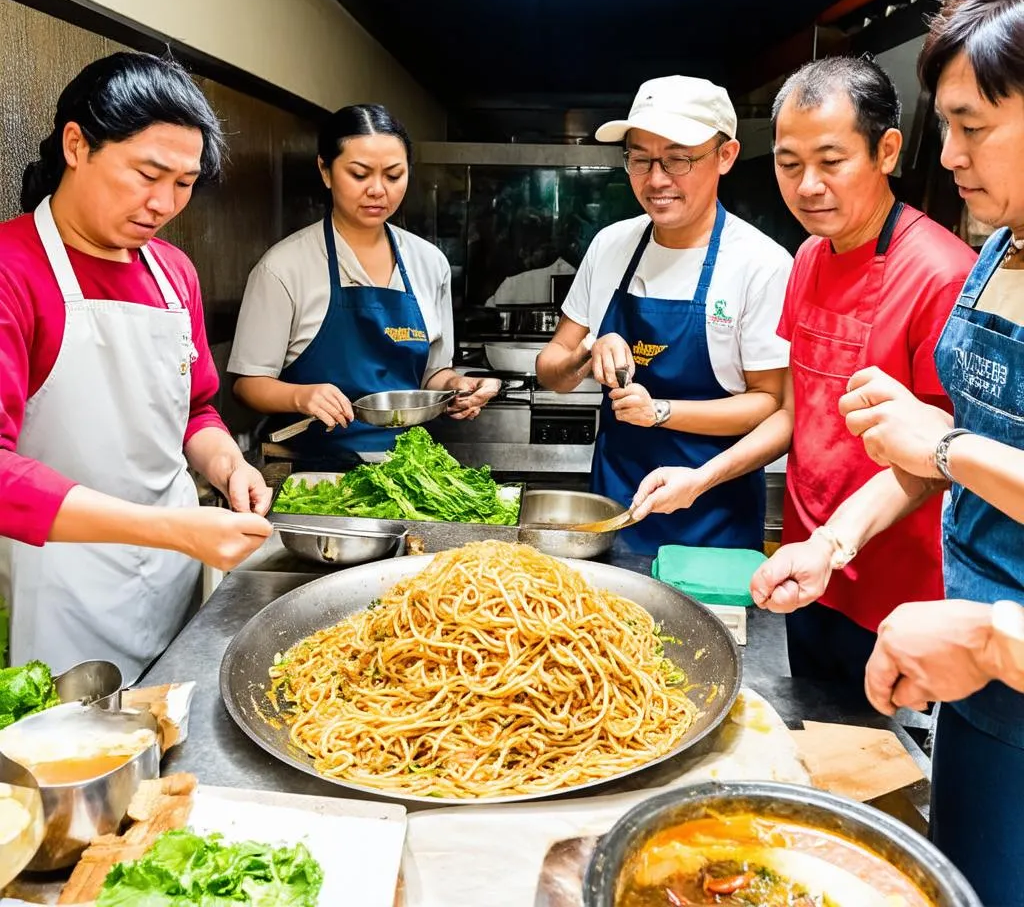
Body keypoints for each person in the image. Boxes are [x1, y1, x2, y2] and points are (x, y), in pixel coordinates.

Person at [632, 57, 976, 689]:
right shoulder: (811, 257)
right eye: (790, 165)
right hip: (803, 568)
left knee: (879, 767)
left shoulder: (941, 274)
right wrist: (700, 478)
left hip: (893, 591)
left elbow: (941, 460)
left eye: (831, 161)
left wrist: (834, 545)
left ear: (886, 151)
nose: (808, 185)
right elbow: (798, 412)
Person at [833, 0, 1024, 903]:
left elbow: (949, 448)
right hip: (972, 661)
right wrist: (837, 539)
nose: (948, 156)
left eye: (972, 128)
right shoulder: (1001, 248)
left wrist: (944, 447)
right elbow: (946, 446)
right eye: (945, 124)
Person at [0, 52, 273, 682]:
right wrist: (172, 528)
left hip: (174, 569)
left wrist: (227, 464)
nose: (163, 203)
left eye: (183, 184)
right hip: (59, 581)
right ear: (77, 144)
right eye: (147, 174)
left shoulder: (174, 273)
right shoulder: (13, 271)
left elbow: (196, 408)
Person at [536, 76, 792, 554]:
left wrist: (660, 412)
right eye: (640, 158)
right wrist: (587, 352)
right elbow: (551, 369)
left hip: (713, 513)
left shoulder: (761, 264)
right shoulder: (610, 245)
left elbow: (769, 404)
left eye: (678, 158)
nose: (656, 179)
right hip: (614, 504)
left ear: (726, 156)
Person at [230, 105, 499, 458]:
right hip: (314, 471)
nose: (378, 190)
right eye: (359, 174)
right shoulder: (283, 267)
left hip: (409, 468)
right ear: (325, 171)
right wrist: (301, 396)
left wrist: (456, 387)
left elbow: (432, 375)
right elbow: (248, 384)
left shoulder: (429, 262)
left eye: (393, 175)